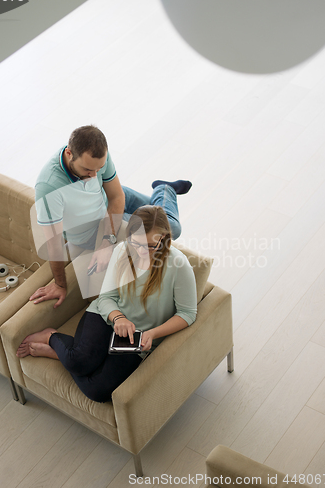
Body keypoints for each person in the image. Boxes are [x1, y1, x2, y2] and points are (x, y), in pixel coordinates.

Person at [17, 206, 197, 403]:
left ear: (163, 237)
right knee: (79, 363)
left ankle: (60, 354)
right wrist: (118, 318)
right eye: (136, 243)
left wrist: (153, 334)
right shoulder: (122, 250)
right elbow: (106, 298)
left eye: (150, 245)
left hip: (138, 336)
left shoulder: (178, 265)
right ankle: (51, 336)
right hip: (107, 317)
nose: (141, 251)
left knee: (98, 391)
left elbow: (187, 313)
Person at [30, 125, 192, 308]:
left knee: (156, 210)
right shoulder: (49, 187)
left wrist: (107, 242)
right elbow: (54, 241)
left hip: (111, 199)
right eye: (87, 170)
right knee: (171, 226)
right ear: (69, 154)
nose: (94, 176)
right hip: (98, 224)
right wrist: (60, 284)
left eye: (99, 169)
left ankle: (162, 191)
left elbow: (116, 196)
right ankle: (165, 189)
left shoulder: (96, 158)